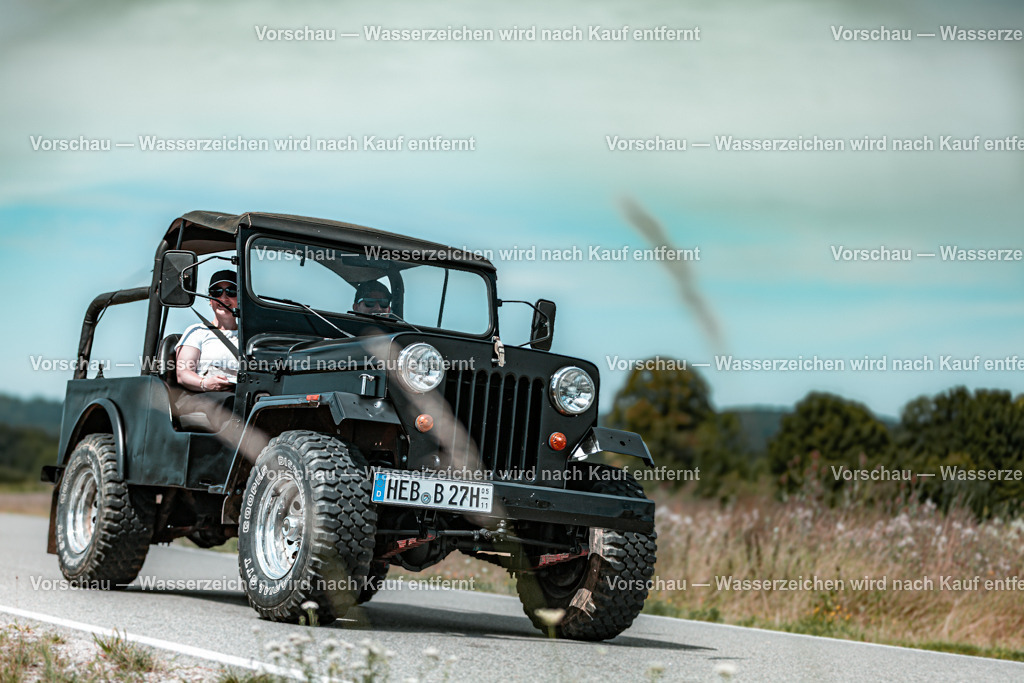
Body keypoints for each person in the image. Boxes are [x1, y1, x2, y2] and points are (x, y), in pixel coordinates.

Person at [174, 270, 239, 425]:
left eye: (231, 291)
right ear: (210, 300)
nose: (223, 298)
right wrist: (205, 383)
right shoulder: (197, 332)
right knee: (232, 405)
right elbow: (183, 373)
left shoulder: (251, 337)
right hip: (203, 395)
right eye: (216, 292)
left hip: (242, 393)